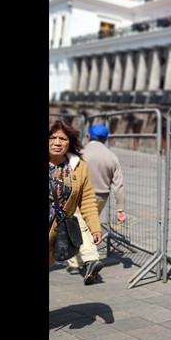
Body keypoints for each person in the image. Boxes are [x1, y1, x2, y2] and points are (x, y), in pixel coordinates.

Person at [48, 119, 105, 285]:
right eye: (52, 138)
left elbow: (87, 199)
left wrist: (95, 227)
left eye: (63, 139)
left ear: (69, 142)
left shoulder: (78, 166)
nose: (57, 142)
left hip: (55, 230)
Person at [69, 123, 125, 275]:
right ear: (106, 138)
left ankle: (86, 260)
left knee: (78, 227)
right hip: (101, 197)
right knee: (88, 227)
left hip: (80, 195)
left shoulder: (80, 152)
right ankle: (79, 261)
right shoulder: (112, 156)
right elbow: (119, 184)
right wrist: (120, 208)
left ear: (88, 136)